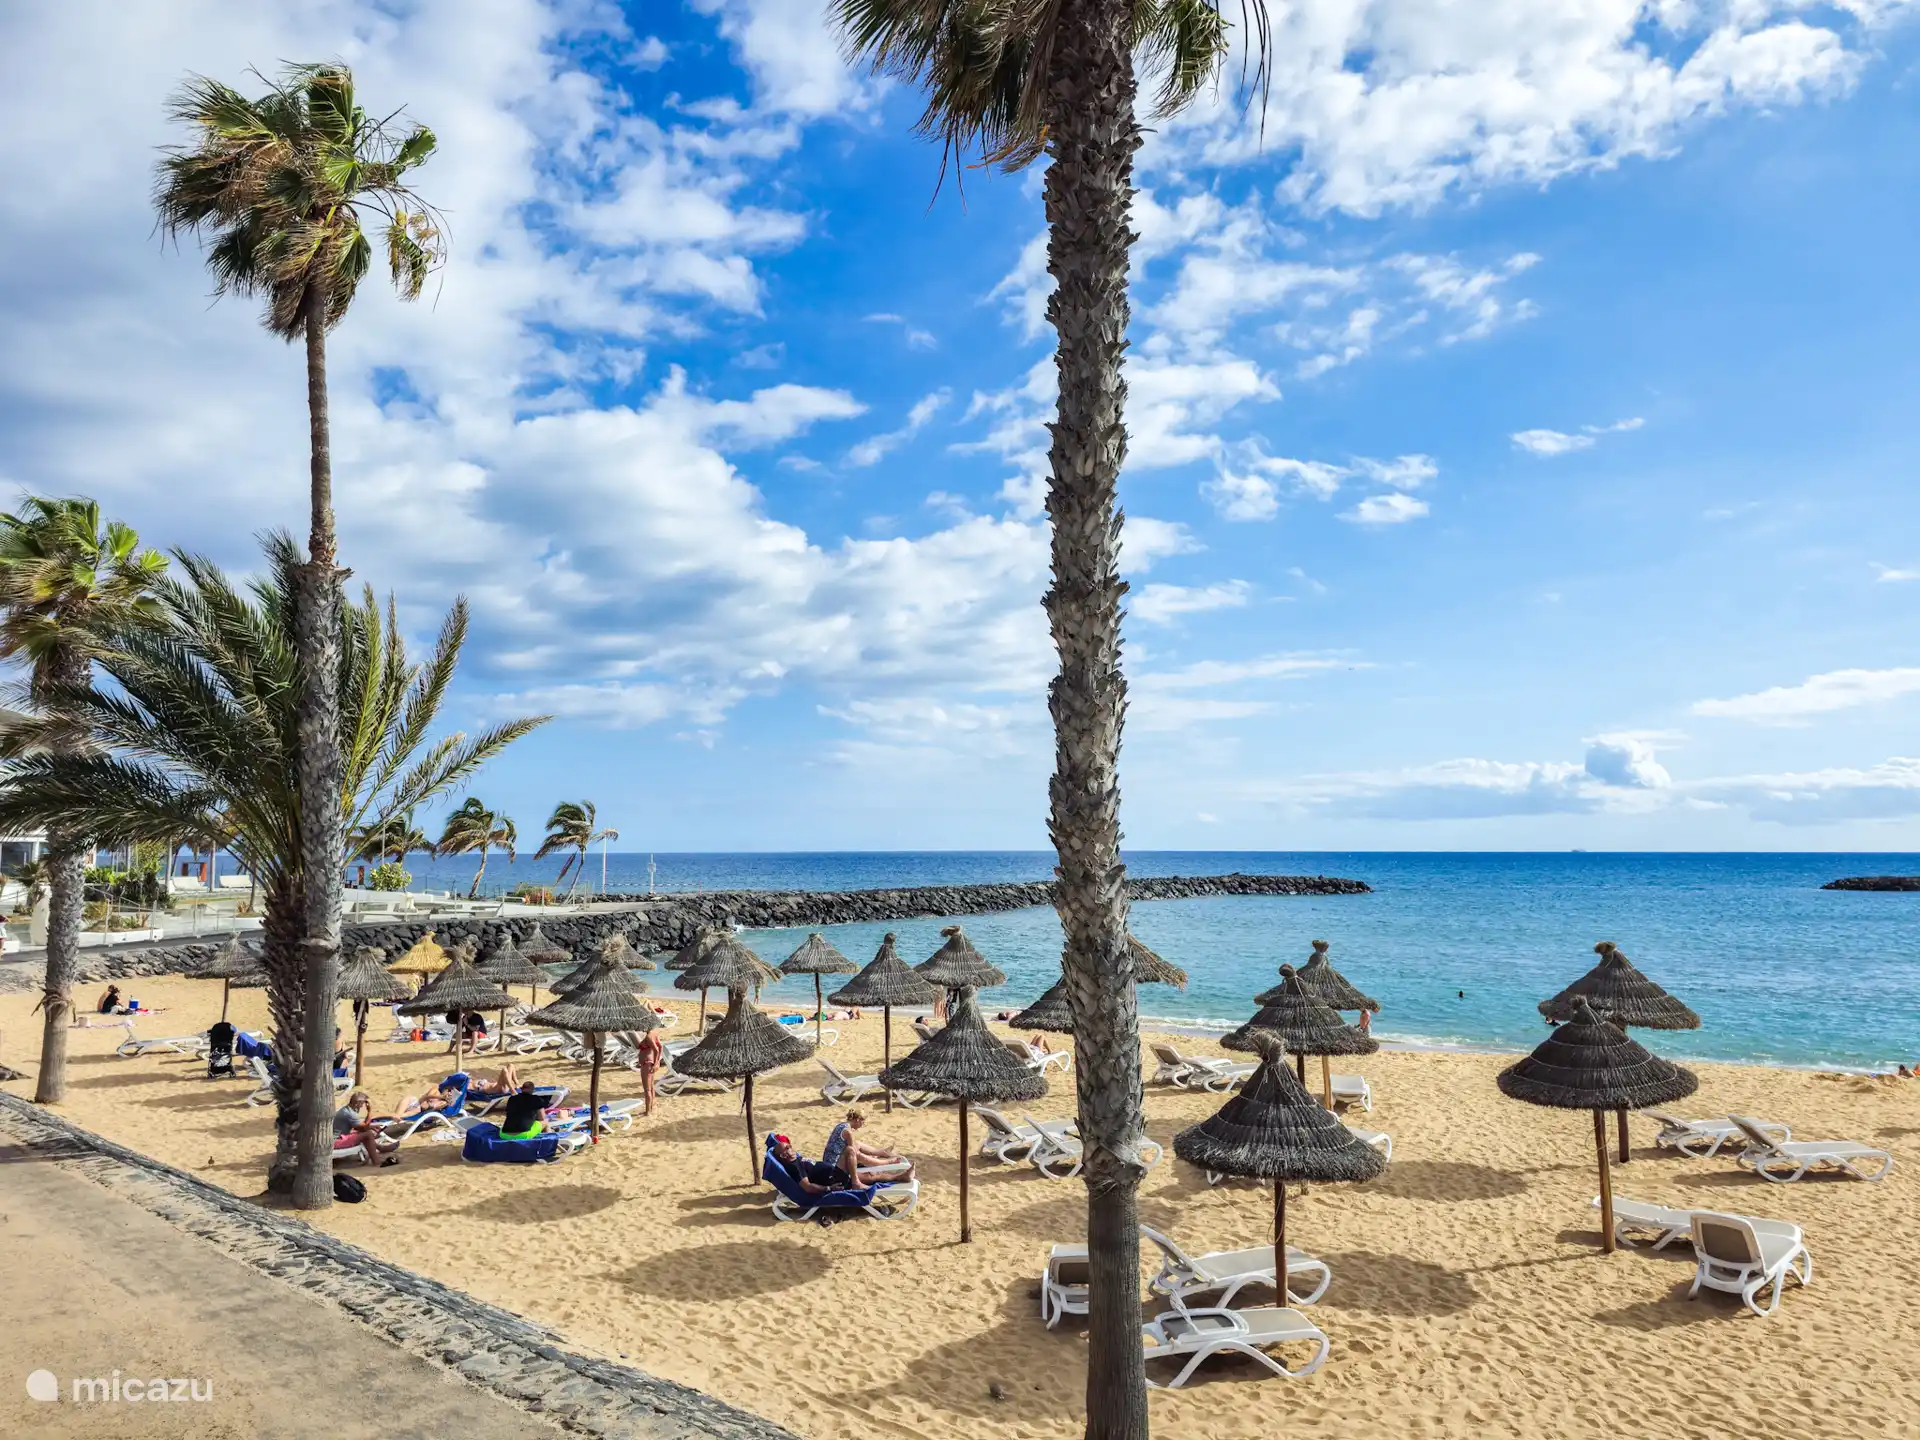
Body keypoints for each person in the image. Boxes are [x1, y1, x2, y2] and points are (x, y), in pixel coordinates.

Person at [823, 1109, 912, 1185]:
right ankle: (888, 1163)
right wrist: (869, 1159)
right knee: (870, 1174)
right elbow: (854, 1154)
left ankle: (881, 1152)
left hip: (829, 1161)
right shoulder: (848, 1132)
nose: (863, 1125)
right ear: (858, 1120)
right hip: (835, 1168)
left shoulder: (841, 1126)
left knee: (857, 1144)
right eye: (863, 1122)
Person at [766, 1134, 844, 1197]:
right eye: (788, 1147)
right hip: (835, 1180)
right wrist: (829, 1188)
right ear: (784, 1155)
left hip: (835, 1173)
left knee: (849, 1150)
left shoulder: (797, 1160)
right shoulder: (795, 1167)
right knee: (848, 1151)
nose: (791, 1147)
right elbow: (808, 1187)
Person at [334, 1091, 397, 1165]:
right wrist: (369, 1111)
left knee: (365, 1133)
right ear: (356, 1103)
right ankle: (377, 1161)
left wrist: (372, 1127)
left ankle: (381, 1148)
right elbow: (364, 1128)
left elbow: (359, 1127)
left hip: (339, 1138)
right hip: (336, 1141)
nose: (363, 1105)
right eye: (363, 1103)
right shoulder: (349, 1113)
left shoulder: (347, 1110)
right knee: (368, 1134)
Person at [634, 1026, 664, 1115]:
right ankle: (651, 1108)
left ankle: (647, 1112)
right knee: (651, 1087)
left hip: (646, 1063)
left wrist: (656, 1063)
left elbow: (656, 1050)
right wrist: (657, 1062)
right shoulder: (654, 1034)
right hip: (650, 1063)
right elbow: (660, 1047)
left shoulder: (649, 1037)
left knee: (647, 1089)